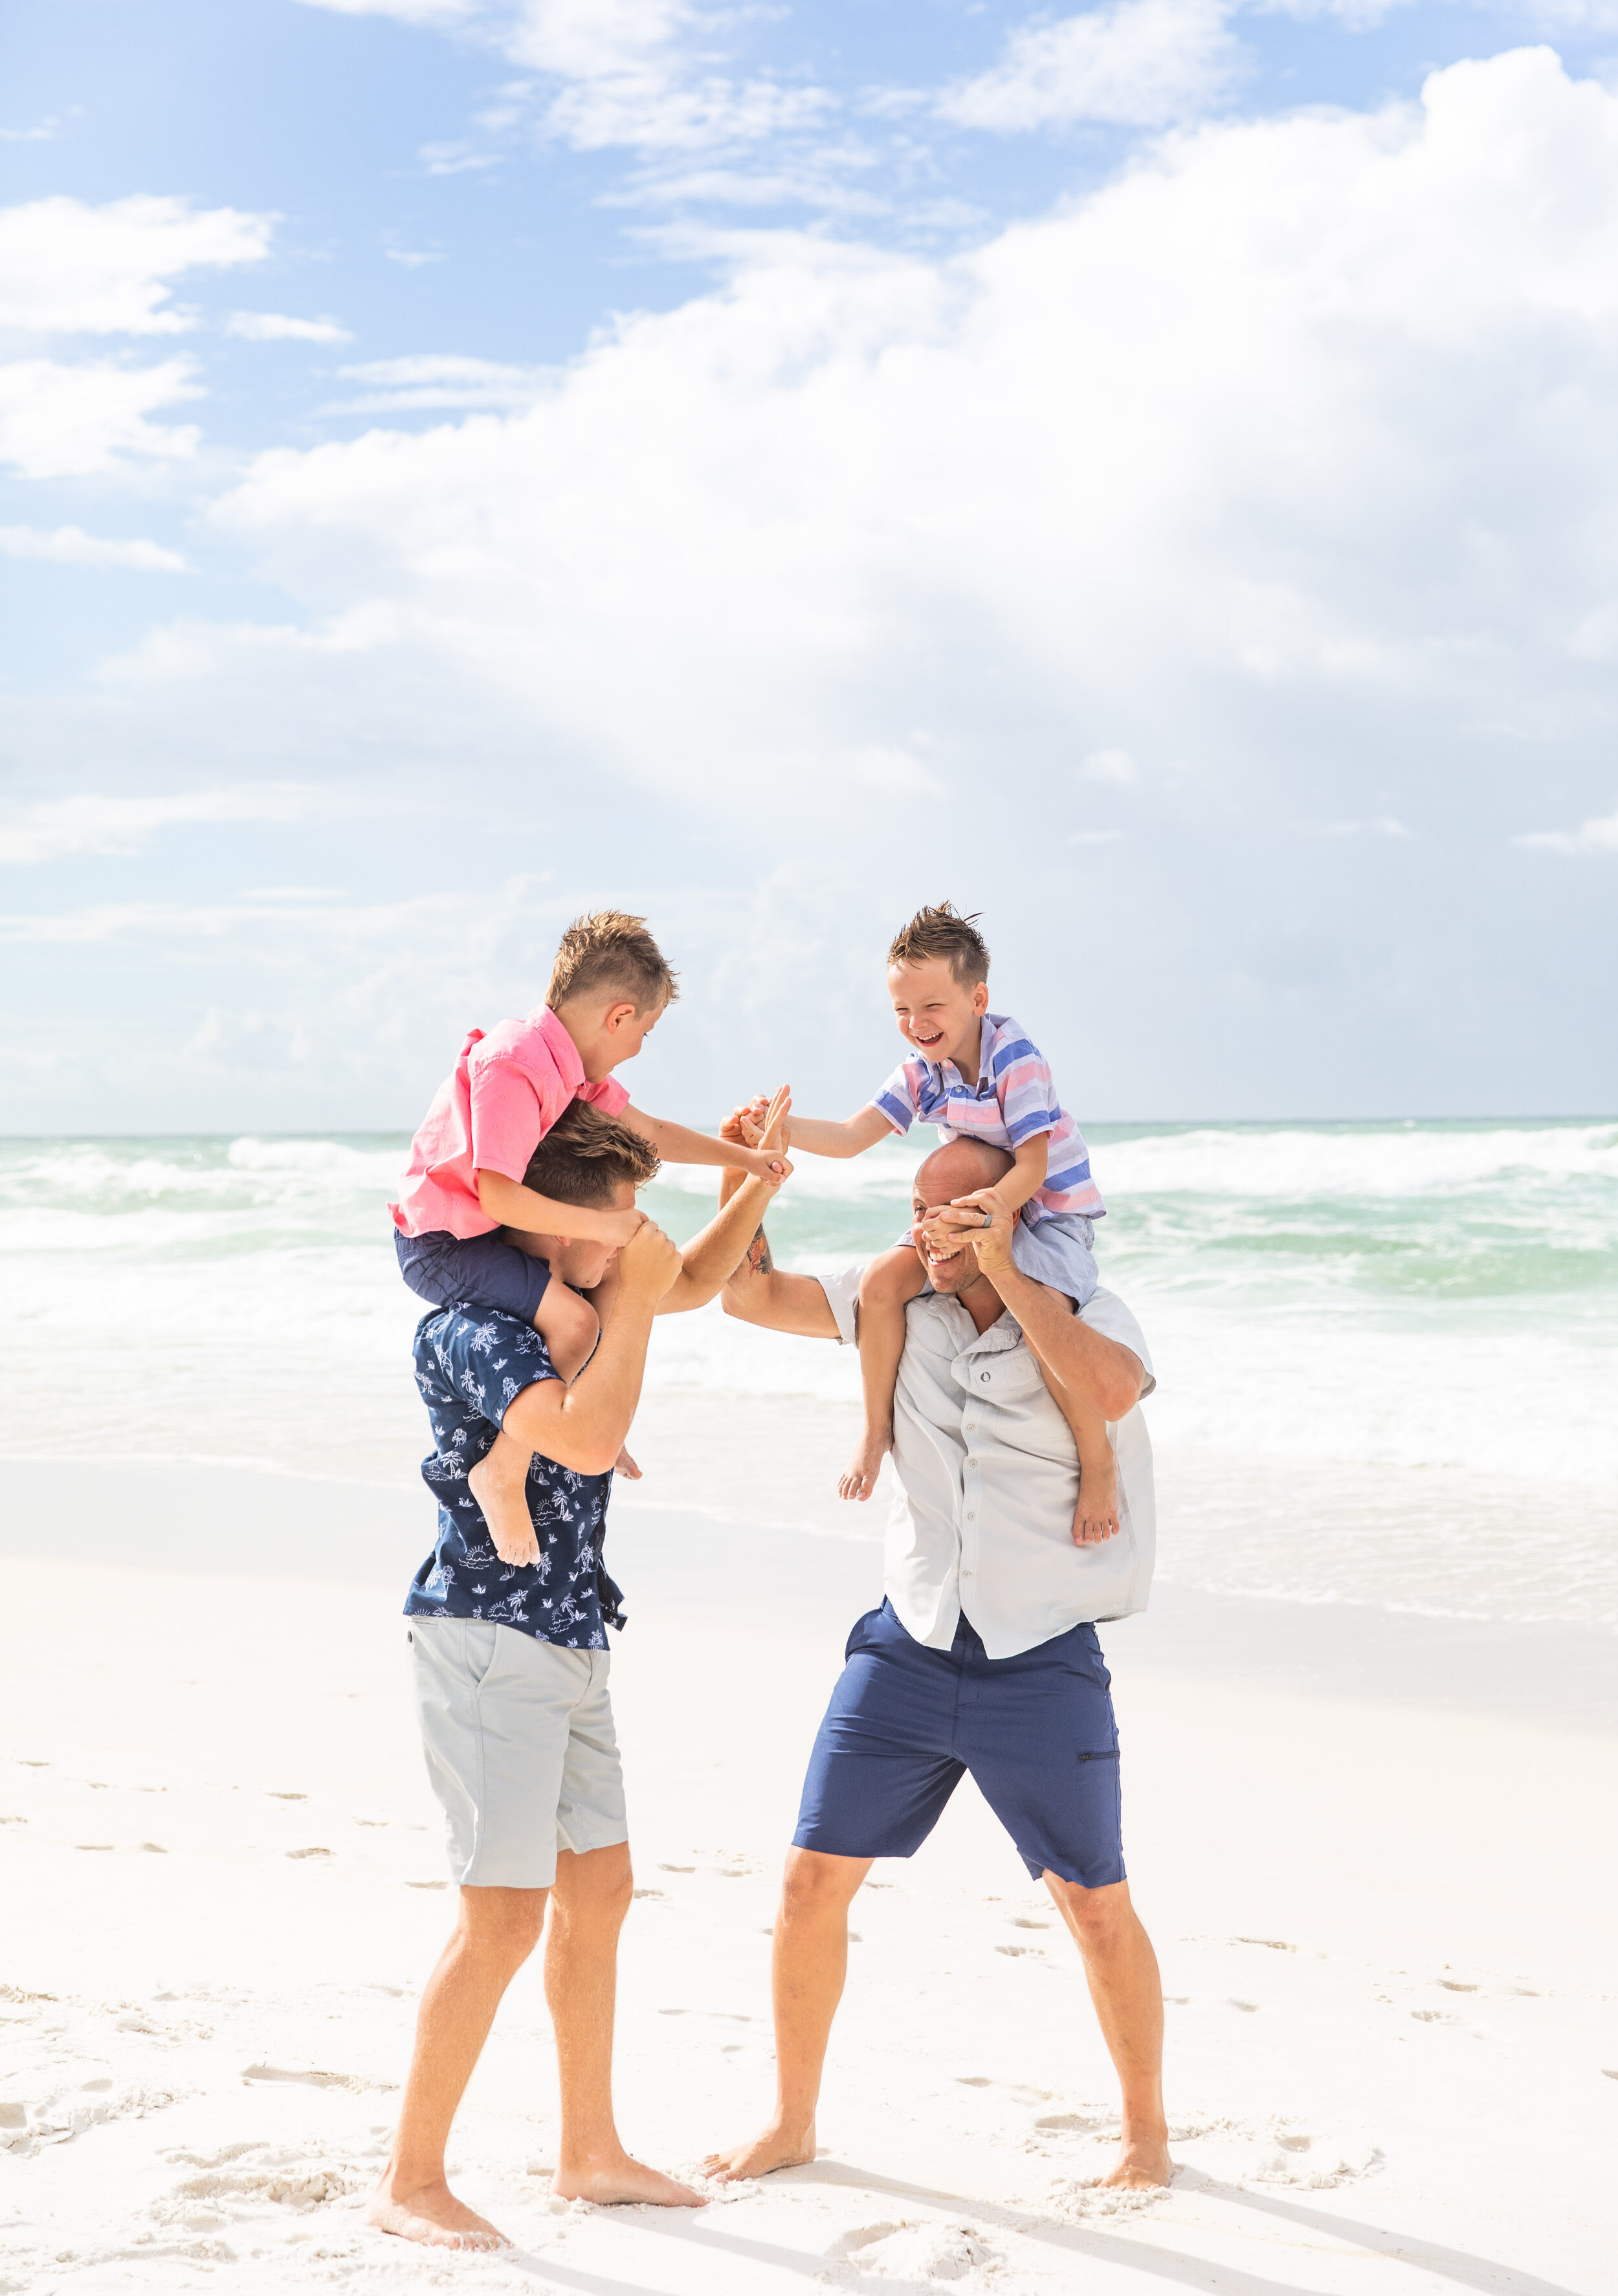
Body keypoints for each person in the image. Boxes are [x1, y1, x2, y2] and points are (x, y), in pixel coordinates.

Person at [703, 1116, 1170, 2193]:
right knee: (811, 1879)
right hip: (908, 1643)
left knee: (1093, 1900)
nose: (925, 1226)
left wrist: (1007, 1270)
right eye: (917, 1205)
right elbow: (747, 1294)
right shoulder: (893, 1302)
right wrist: (751, 1182)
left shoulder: (1090, 1311)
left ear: (1010, 1210)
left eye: (954, 1205)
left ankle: (1146, 2135)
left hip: (1040, 1656)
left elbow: (1110, 1391)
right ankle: (792, 2120)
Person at [370, 1095, 790, 2253]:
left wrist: (757, 1177)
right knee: (500, 1919)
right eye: (618, 1223)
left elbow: (683, 1281)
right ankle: (410, 2179)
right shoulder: (475, 1325)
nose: (628, 1245)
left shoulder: (585, 1294)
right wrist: (639, 1312)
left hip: (567, 1635)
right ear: (555, 1223)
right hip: (487, 1637)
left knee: (598, 1893)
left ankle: (589, 2152)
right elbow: (591, 1439)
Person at [390, 907, 788, 1563]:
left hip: (481, 1232)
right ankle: (504, 1468)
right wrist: (606, 1224)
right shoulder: (513, 1060)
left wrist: (748, 1162)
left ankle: (576, 1413)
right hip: (441, 1243)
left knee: (586, 1318)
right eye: (646, 1032)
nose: (638, 1050)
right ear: (620, 1016)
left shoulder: (569, 1071)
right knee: (576, 1326)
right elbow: (496, 1192)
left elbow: (652, 1134)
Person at [783, 903, 1115, 1538]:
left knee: (1045, 1316)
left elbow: (1032, 1166)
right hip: (973, 1208)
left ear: (977, 996)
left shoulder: (1014, 1058)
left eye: (932, 1006)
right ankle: (876, 1431)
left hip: (1046, 1213)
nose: (916, 1024)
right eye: (902, 1011)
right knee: (881, 1283)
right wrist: (780, 1130)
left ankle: (1097, 1465)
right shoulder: (920, 1073)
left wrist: (987, 1224)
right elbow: (854, 1136)